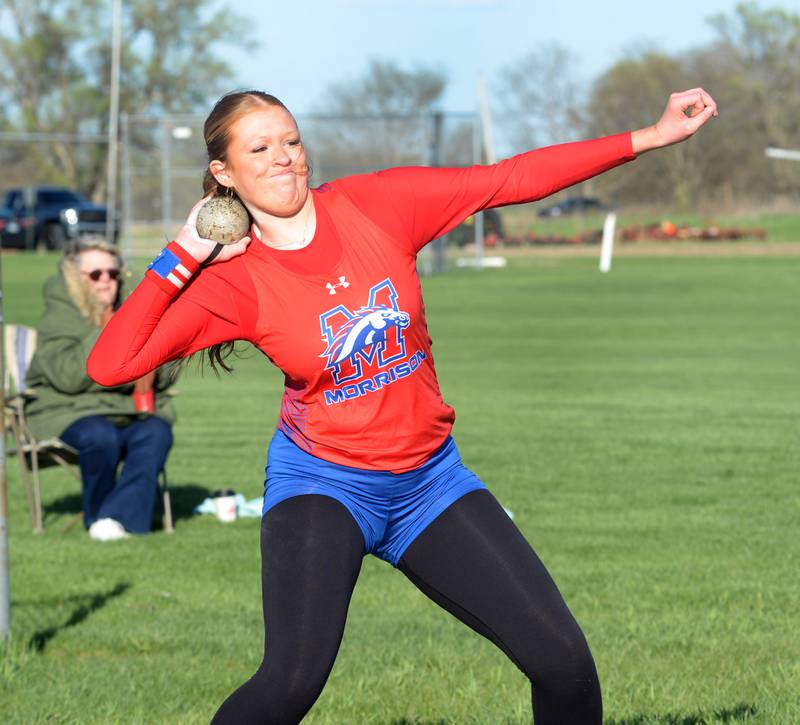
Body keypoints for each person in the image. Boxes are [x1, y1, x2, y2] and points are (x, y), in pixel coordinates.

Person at [88, 87, 717, 721]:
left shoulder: (376, 205)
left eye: (291, 140)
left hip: (431, 483)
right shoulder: (234, 279)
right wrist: (184, 253)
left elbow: (510, 179)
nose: (283, 157)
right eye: (259, 148)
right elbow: (110, 364)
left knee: (564, 664)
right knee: (290, 681)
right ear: (223, 174)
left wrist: (651, 136)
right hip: (324, 484)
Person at [25, 238, 178, 541]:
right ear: (75, 278)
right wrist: (114, 328)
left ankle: (116, 520)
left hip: (128, 409)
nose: (107, 280)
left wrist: (163, 350)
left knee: (156, 433)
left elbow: (164, 379)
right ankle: (103, 517)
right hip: (65, 409)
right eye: (96, 274)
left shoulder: (129, 305)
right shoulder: (61, 314)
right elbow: (68, 377)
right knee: (100, 436)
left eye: (113, 273)